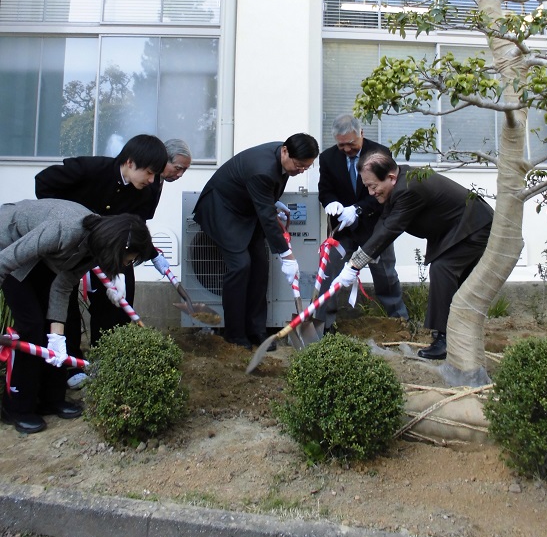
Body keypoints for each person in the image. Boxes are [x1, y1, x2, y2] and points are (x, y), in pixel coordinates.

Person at [0, 199, 154, 434]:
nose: (128, 264)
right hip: (9, 247)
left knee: (61, 327)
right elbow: (6, 261)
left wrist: (57, 339)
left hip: (41, 257)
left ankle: (51, 398)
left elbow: (62, 287)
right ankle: (16, 408)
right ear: (117, 248)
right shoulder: (64, 229)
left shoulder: (93, 247)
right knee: (31, 326)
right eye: (130, 259)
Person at [340, 151, 494, 360]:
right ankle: (458, 335)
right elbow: (384, 223)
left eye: (373, 186)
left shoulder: (408, 189)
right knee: (452, 280)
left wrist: (354, 265)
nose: (371, 192)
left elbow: (391, 228)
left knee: (443, 269)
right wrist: (362, 257)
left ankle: (445, 340)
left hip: (473, 225)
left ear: (391, 178)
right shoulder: (400, 183)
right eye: (367, 186)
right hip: (458, 228)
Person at [34, 134, 169, 356]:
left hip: (111, 251)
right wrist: (60, 219)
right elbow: (43, 183)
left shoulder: (146, 191)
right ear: (130, 162)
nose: (152, 180)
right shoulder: (89, 169)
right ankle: (70, 361)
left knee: (117, 301)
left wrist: (124, 269)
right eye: (149, 172)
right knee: (65, 298)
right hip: (70, 245)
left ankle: (106, 358)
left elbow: (134, 229)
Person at [192, 133, 320, 350]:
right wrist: (286, 255)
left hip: (247, 210)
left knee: (260, 266)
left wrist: (272, 202)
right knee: (240, 266)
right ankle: (235, 334)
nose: (301, 171)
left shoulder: (282, 159)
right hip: (222, 209)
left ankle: (256, 330)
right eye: (299, 165)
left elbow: (266, 203)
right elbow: (267, 217)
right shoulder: (262, 169)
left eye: (306, 168)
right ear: (285, 151)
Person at [316, 115, 408, 330]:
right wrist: (331, 203)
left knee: (385, 275)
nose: (347, 149)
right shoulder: (328, 158)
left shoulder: (380, 154)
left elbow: (385, 192)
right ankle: (322, 325)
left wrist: (357, 209)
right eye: (342, 145)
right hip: (342, 229)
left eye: (351, 143)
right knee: (329, 273)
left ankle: (399, 321)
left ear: (361, 134)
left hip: (375, 226)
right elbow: (325, 190)